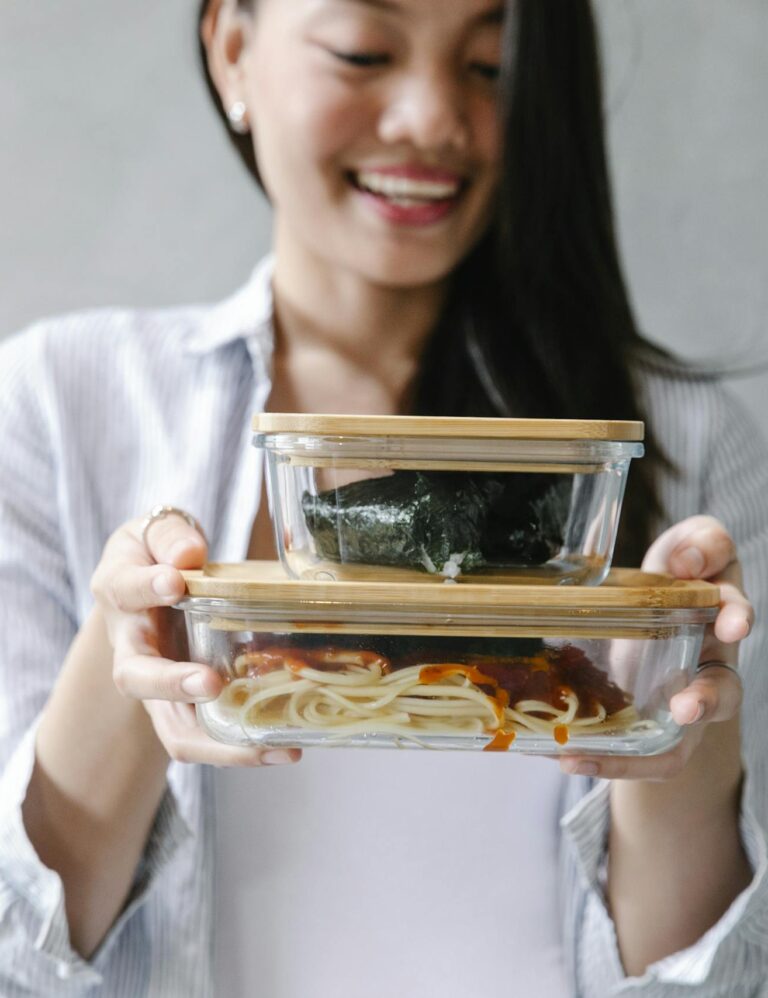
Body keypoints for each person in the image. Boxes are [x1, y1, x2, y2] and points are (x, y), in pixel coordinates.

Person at [1, 0, 767, 995]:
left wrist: (675, 722)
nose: (429, 119)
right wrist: (127, 659)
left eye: (490, 66)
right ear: (233, 48)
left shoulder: (682, 447)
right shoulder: (58, 406)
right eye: (365, 50)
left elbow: (725, 980)